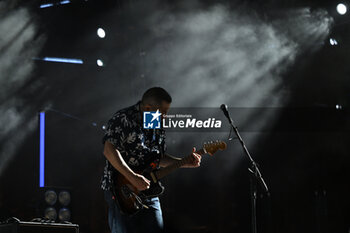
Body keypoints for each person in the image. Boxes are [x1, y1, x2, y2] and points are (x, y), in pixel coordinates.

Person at [101, 87, 201, 233]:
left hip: (149, 190)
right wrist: (132, 177)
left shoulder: (156, 124)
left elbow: (157, 158)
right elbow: (109, 151)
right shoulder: (123, 118)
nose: (165, 117)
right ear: (148, 108)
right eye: (163, 113)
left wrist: (184, 162)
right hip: (121, 189)